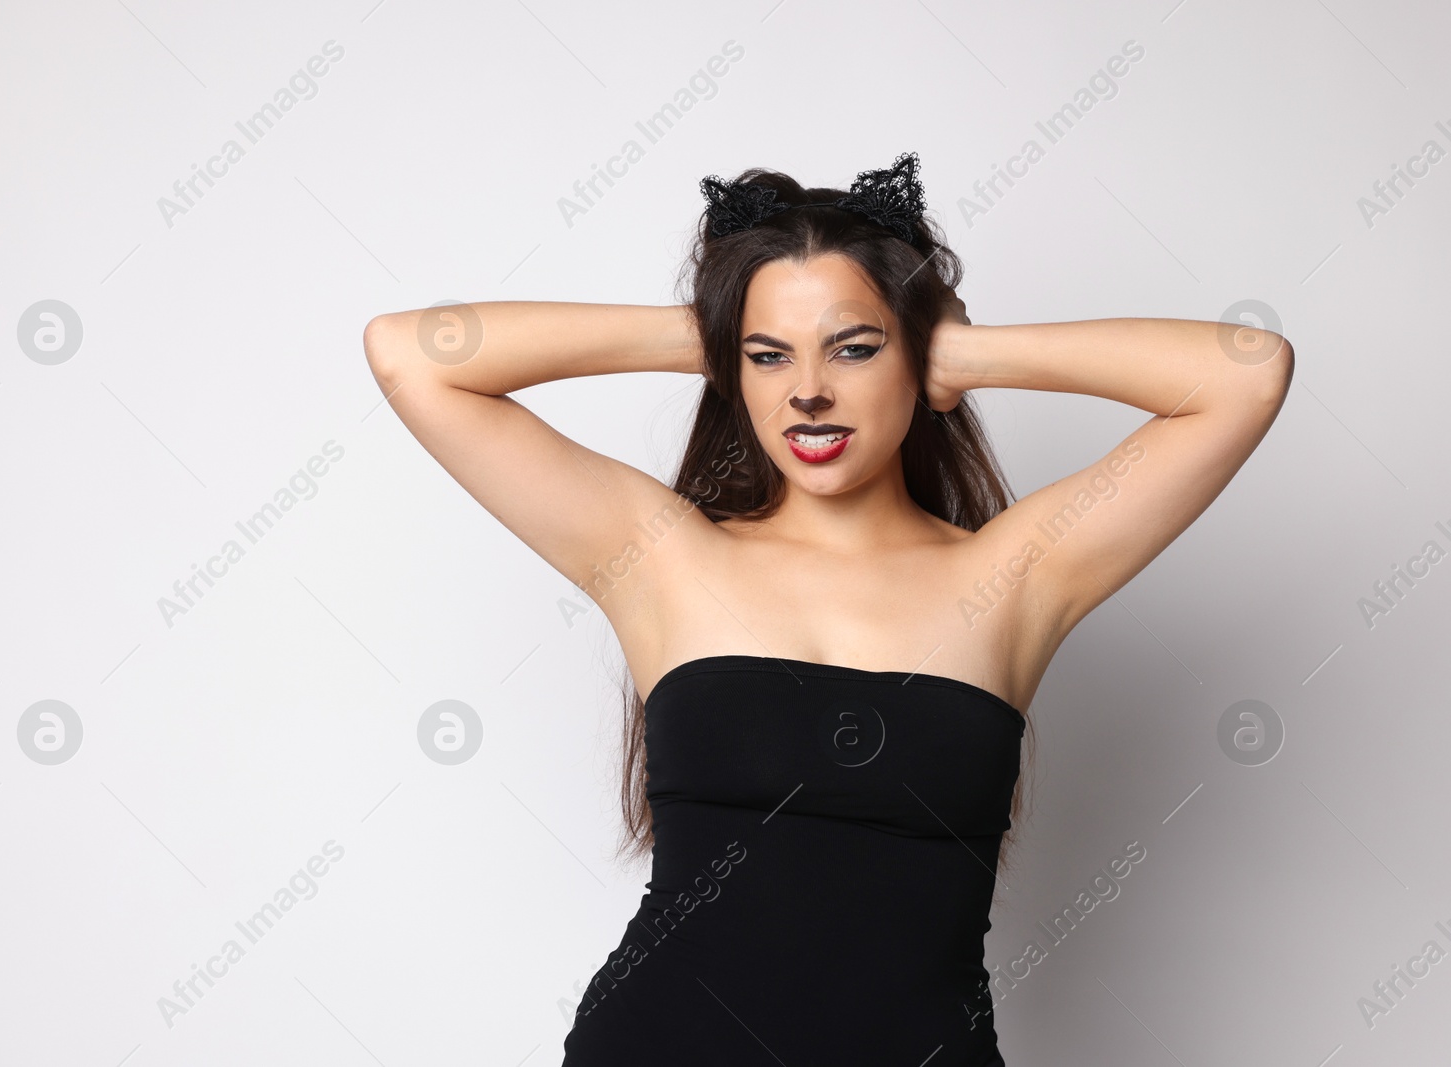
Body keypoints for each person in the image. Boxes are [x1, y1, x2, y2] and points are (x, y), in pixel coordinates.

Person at [361, 152, 1293, 1065]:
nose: (808, 389)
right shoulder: (660, 557)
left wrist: (959, 349)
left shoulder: (1016, 575)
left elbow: (1245, 373)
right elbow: (412, 354)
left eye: (853, 347)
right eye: (769, 357)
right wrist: (715, 327)